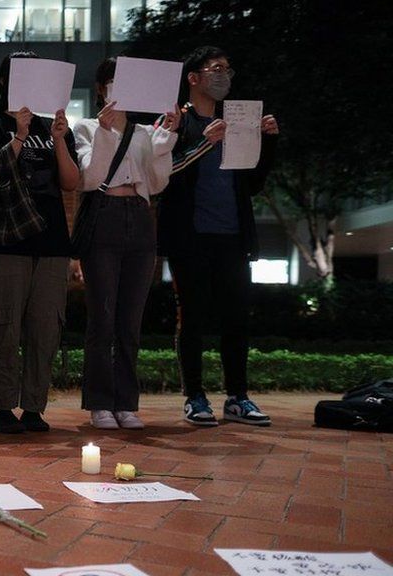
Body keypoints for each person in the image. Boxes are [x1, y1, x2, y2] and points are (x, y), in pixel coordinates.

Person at [158, 46, 279, 427]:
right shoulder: (178, 120)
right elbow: (164, 176)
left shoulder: (239, 122)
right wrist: (202, 142)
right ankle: (194, 396)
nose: (223, 75)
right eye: (215, 69)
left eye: (227, 69)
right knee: (192, 316)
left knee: (235, 317)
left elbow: (253, 184)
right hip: (190, 235)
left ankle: (237, 396)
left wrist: (269, 141)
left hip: (232, 234)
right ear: (193, 78)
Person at [0, 52, 79, 434]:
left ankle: (34, 407)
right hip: (2, 241)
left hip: (51, 241)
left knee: (45, 328)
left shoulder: (54, 127)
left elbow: (71, 182)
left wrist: (60, 140)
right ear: (7, 81)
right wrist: (18, 135)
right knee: (3, 327)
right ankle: (3, 407)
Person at [73, 57, 179, 430]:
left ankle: (126, 402)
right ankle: (100, 403)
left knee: (130, 320)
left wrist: (166, 140)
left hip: (140, 217)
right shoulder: (86, 126)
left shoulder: (143, 132)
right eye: (114, 81)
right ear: (102, 88)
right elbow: (89, 178)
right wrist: (104, 131)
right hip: (104, 215)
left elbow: (158, 182)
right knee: (102, 316)